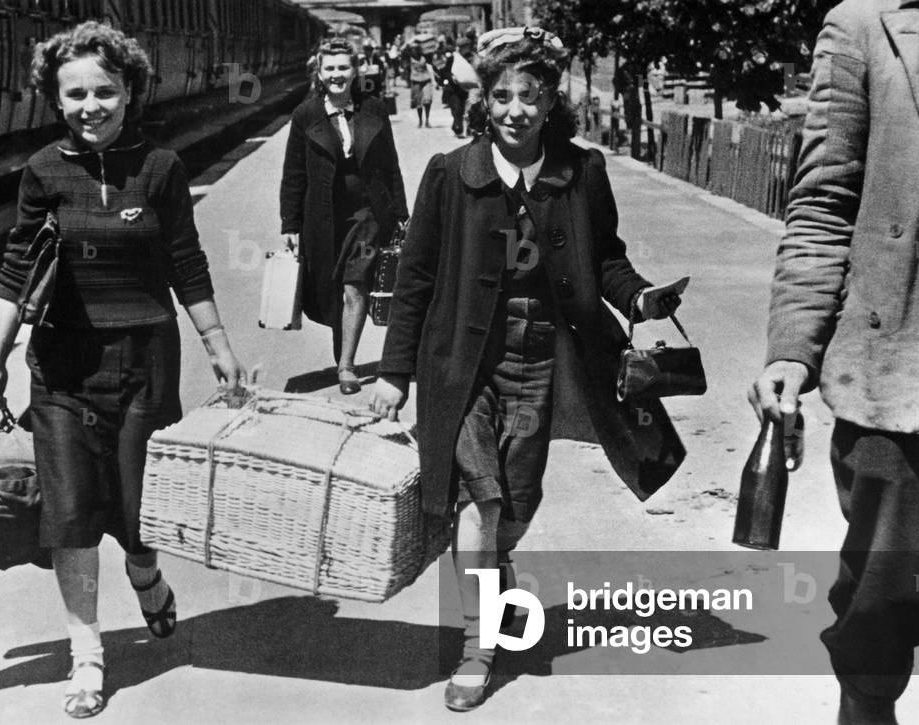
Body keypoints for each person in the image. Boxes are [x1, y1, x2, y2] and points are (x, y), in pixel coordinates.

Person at [370, 26, 684, 712]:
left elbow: (605, 258)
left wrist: (639, 295)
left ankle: (498, 569)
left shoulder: (582, 171)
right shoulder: (451, 174)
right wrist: (396, 371)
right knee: (479, 499)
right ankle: (477, 649)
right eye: (502, 96)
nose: (514, 110)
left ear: (550, 105)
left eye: (529, 97)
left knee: (517, 502)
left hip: (542, 354)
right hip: (460, 360)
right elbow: (417, 277)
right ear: (485, 101)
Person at [0, 21, 246, 719]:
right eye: (75, 95)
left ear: (129, 90)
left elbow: (186, 259)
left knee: (137, 511)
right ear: (54, 100)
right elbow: (16, 266)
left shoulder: (159, 167)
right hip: (63, 366)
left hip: (144, 360)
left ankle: (145, 572)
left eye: (104, 90)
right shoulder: (41, 171)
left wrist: (218, 342)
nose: (91, 105)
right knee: (70, 517)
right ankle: (87, 653)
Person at [748, 1, 919, 722]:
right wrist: (792, 347)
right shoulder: (869, 26)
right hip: (911, 366)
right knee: (884, 605)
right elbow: (823, 204)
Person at [280, 38, 409, 393]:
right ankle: (343, 349)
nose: (337, 75)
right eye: (330, 69)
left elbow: (390, 164)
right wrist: (289, 223)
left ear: (355, 71)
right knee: (329, 287)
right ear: (320, 74)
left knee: (356, 283)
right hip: (321, 216)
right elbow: (293, 173)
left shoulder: (375, 109)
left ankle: (347, 366)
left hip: (368, 213)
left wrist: (401, 213)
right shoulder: (305, 115)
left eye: (343, 68)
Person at [407, 42, 435, 128]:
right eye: (412, 50)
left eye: (416, 49)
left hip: (426, 79)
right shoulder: (409, 58)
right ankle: (420, 120)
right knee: (418, 101)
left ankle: (427, 120)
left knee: (427, 99)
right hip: (415, 81)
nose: (414, 51)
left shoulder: (425, 57)